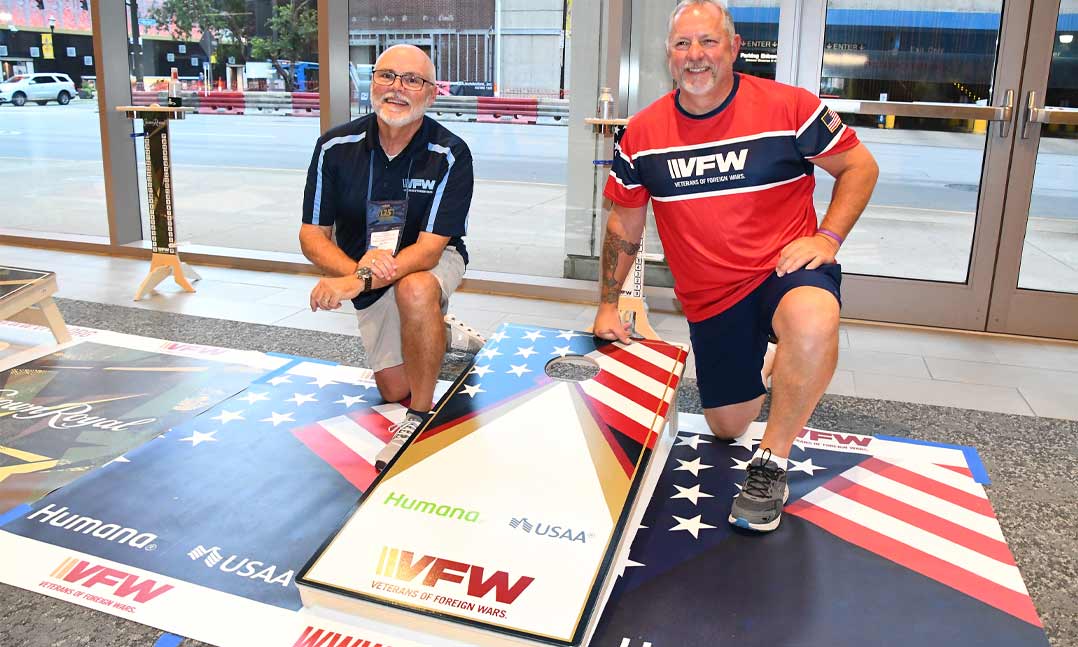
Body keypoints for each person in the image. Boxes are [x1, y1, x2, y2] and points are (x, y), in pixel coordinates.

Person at [594, 0, 879, 532]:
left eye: (708, 42)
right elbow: (623, 227)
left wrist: (828, 237)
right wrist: (609, 305)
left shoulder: (791, 107)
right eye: (683, 44)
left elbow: (859, 166)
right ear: (669, 55)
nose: (695, 56)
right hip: (710, 297)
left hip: (782, 270)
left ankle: (771, 461)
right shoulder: (641, 134)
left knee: (813, 319)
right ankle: (776, 362)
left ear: (733, 48)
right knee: (727, 426)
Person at [300, 44, 484, 471]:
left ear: (431, 94)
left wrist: (357, 282)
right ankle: (441, 332)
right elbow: (312, 235)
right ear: (371, 83)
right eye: (387, 76)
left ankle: (419, 414)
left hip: (428, 259)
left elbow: (431, 247)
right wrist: (359, 273)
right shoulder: (333, 146)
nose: (397, 89)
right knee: (391, 389)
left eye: (412, 80)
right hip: (362, 264)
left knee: (416, 289)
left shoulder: (451, 154)